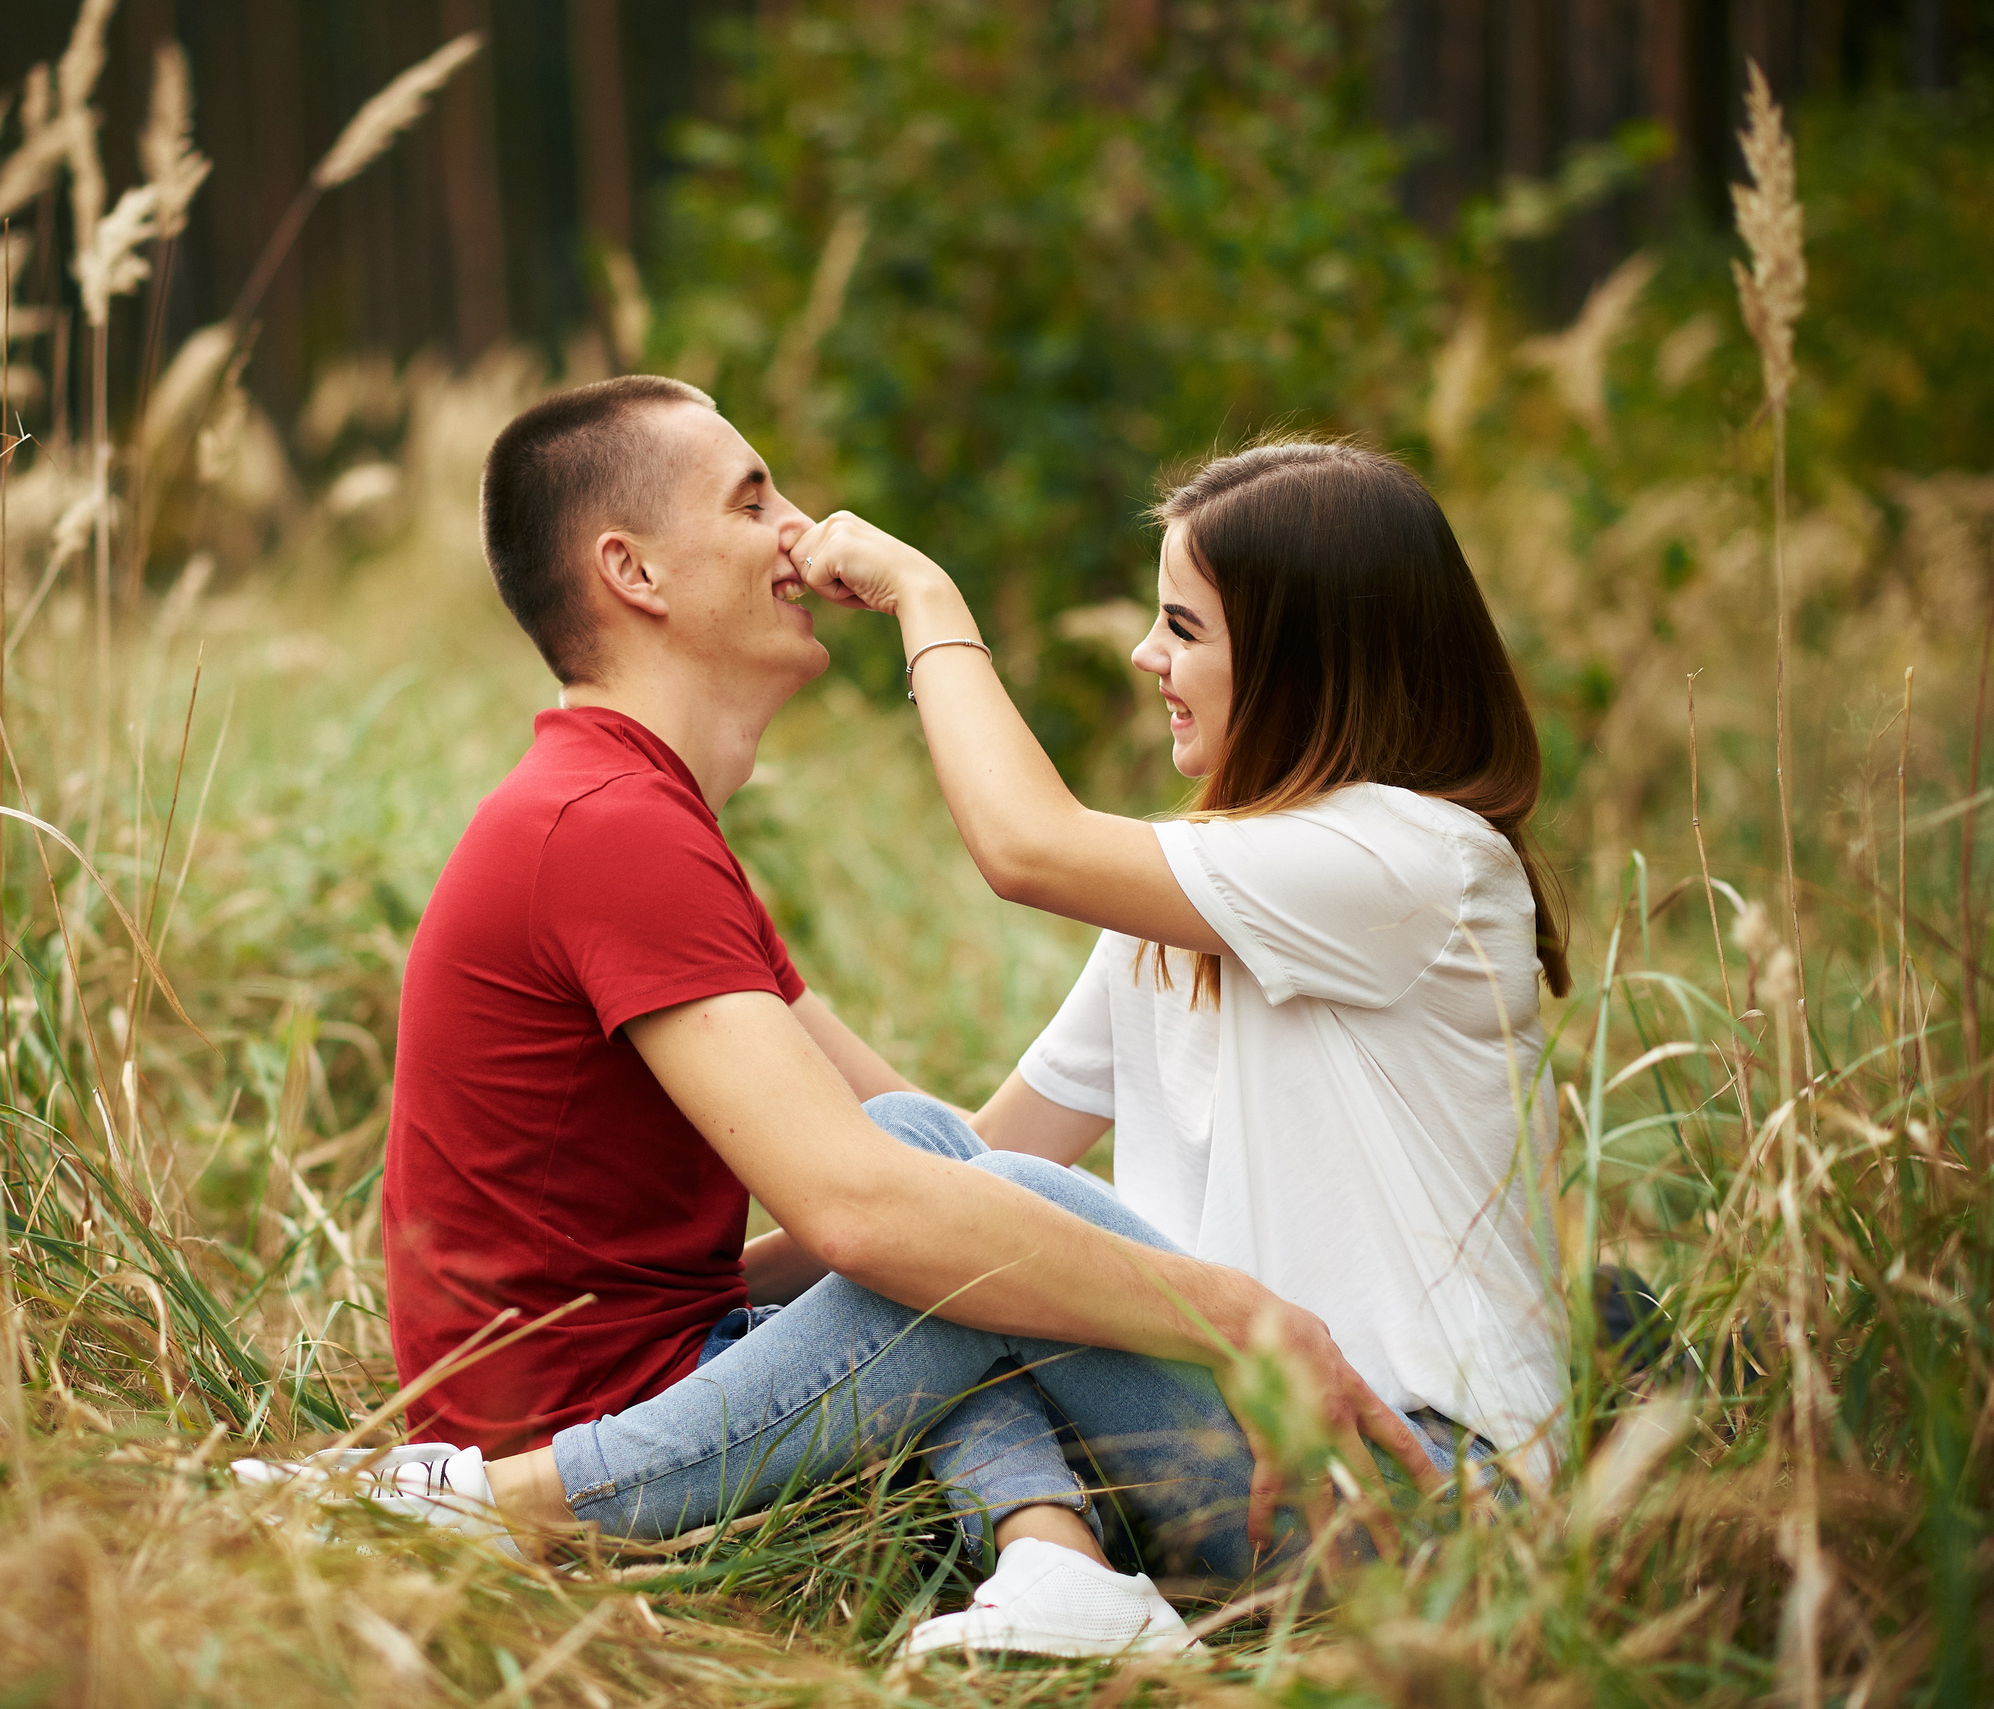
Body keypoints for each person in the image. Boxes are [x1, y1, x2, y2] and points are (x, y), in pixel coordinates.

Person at [243, 377, 1450, 1660]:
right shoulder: (607, 826)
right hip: (593, 1417)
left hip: (688, 1361)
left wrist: (914, 1227)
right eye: (751, 499)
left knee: (930, 1170)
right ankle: (492, 1508)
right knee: (932, 1205)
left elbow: (922, 1162)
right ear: (633, 571)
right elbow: (873, 1207)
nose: (801, 530)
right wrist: (1234, 1312)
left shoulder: (637, 818)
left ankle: (1059, 1560)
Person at [797, 441, 1570, 1475]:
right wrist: (757, 978)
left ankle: (577, 1485)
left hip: (1425, 1468)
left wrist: (922, 594)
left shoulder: (1416, 859)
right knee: (940, 1189)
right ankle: (1047, 1544)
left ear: (1301, 662)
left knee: (995, 1239)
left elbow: (1026, 847)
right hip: (1244, 1431)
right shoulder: (1191, 901)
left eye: (1183, 627)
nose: (1145, 654)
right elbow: (970, 1159)